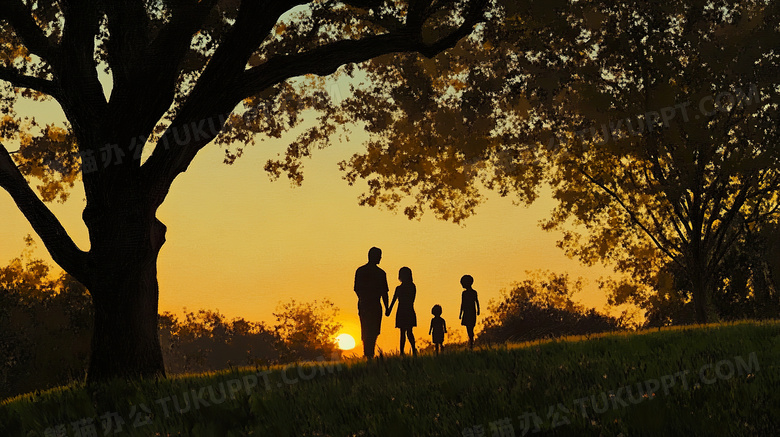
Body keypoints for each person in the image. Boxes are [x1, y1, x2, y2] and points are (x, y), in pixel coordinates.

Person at [354, 247, 389, 358]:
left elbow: (357, 288)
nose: (380, 258)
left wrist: (363, 298)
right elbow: (384, 293)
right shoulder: (380, 273)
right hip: (371, 305)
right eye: (379, 256)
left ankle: (369, 353)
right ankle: (368, 353)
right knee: (370, 330)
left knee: (368, 329)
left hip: (366, 304)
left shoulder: (361, 271)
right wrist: (386, 307)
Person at [387, 267, 417, 356]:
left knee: (406, 332)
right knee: (405, 332)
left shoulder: (408, 287)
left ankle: (410, 350)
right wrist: (389, 310)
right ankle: (403, 351)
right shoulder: (410, 286)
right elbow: (394, 300)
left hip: (405, 310)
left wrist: (389, 310)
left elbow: (394, 300)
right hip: (405, 310)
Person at [459, 274, 480, 349]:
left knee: (470, 328)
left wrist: (478, 310)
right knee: (469, 328)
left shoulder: (472, 293)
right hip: (468, 312)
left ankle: (471, 342)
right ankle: (471, 342)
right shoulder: (465, 293)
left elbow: (476, 302)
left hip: (470, 312)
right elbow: (462, 303)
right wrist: (460, 313)